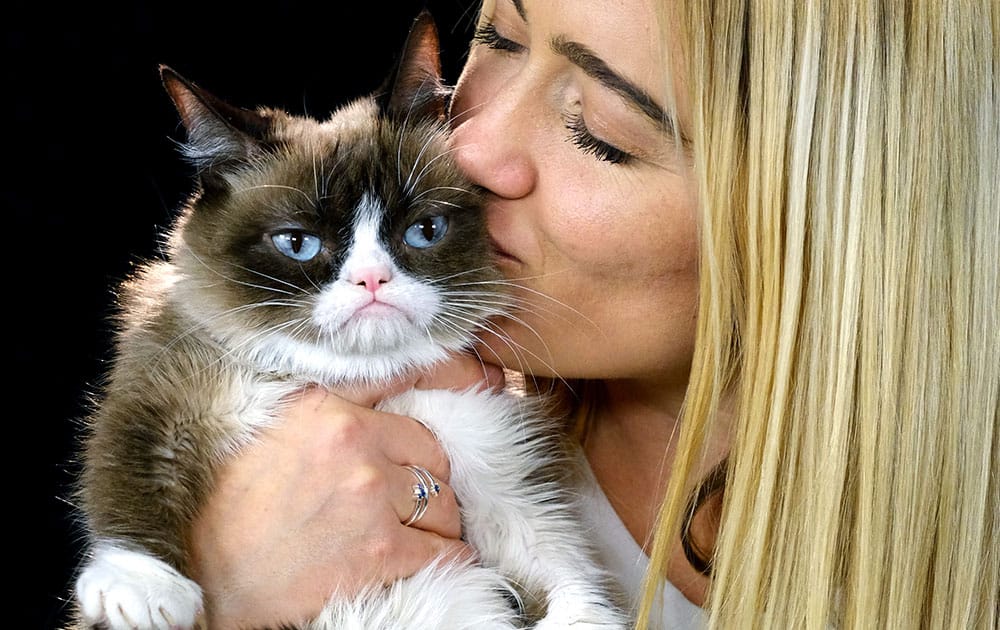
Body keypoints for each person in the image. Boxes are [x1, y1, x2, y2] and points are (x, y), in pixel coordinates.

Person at [187, 0, 999, 628]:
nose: (467, 151)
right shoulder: (319, 442)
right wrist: (218, 591)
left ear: (819, 225)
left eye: (598, 132)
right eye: (500, 40)